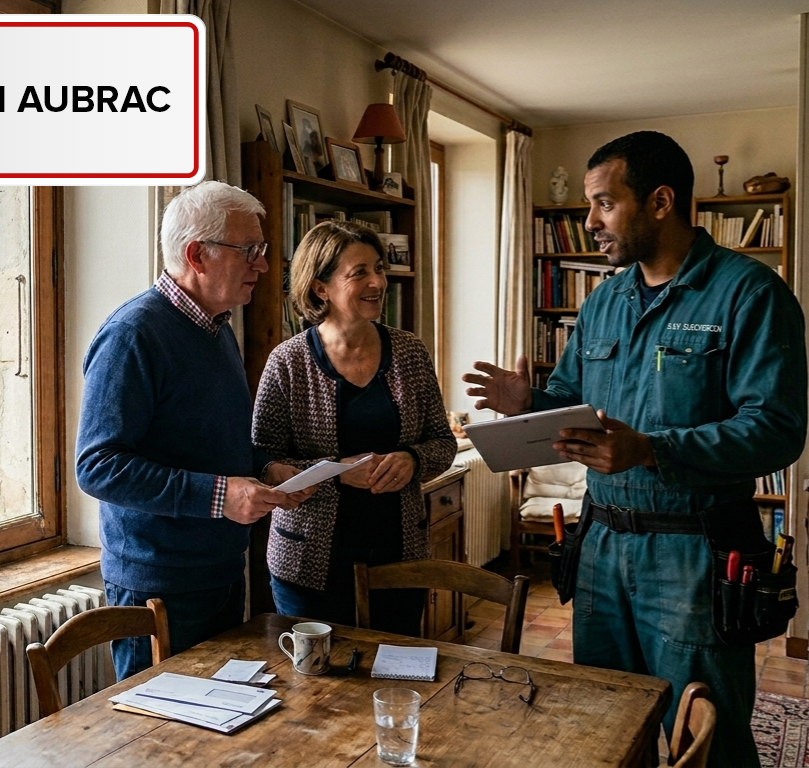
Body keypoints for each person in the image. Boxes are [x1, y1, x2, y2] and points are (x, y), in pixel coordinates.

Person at [463, 131, 807, 767]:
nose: (589, 222)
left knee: (708, 734)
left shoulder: (749, 294)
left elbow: (778, 430)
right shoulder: (603, 304)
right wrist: (528, 401)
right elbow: (569, 404)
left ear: (659, 201)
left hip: (693, 555)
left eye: (603, 203)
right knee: (604, 724)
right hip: (599, 552)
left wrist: (650, 450)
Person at [76, 181, 312, 680]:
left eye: (262, 251)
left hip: (220, 570)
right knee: (160, 747)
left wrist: (263, 469)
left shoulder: (216, 327)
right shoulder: (132, 334)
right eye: (249, 251)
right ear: (196, 255)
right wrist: (220, 495)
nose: (264, 265)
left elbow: (203, 441)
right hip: (158, 585)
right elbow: (98, 467)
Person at [253, 220, 456, 636]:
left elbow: (443, 442)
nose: (377, 281)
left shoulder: (410, 352)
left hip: (400, 556)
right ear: (320, 287)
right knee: (314, 692)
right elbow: (262, 460)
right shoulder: (287, 362)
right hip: (308, 564)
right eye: (359, 272)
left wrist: (412, 459)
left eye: (378, 268)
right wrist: (339, 473)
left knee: (396, 675)